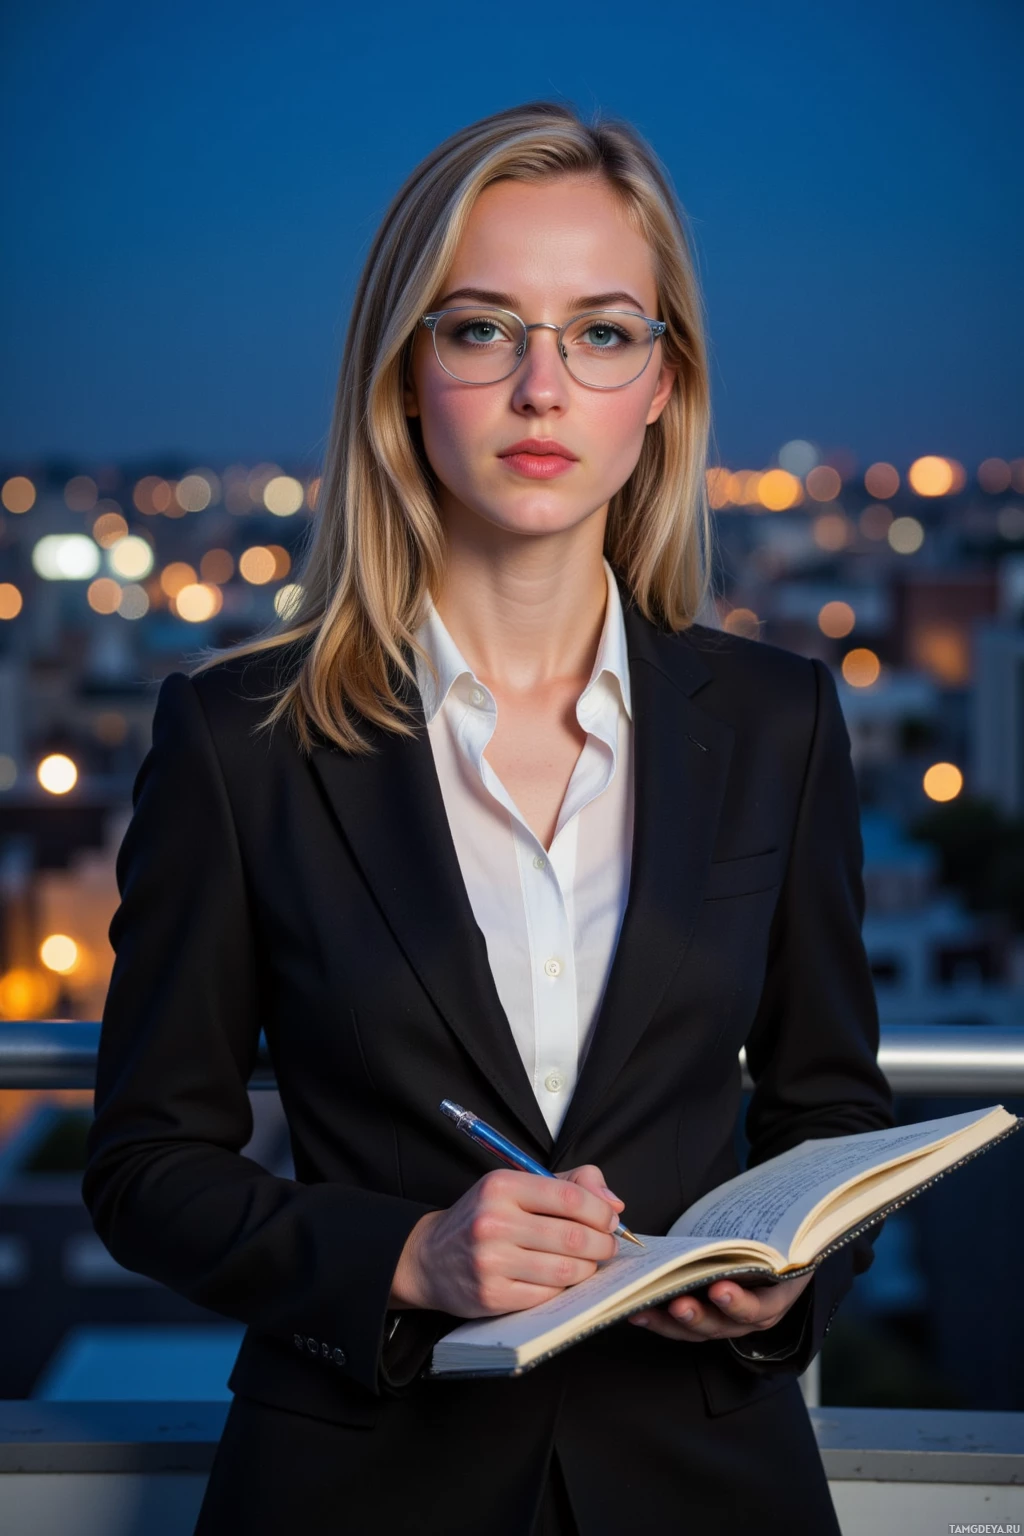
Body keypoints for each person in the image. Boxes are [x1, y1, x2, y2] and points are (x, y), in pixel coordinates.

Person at [82, 100, 894, 1536]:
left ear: (660, 386)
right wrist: (404, 1256)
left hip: (708, 1486)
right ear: (404, 376)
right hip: (359, 1487)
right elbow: (148, 1168)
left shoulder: (779, 721)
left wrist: (786, 1289)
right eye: (479, 330)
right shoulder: (238, 741)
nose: (542, 388)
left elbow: (828, 1105)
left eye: (599, 332)